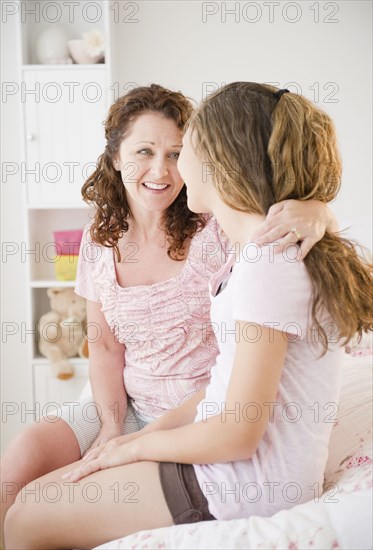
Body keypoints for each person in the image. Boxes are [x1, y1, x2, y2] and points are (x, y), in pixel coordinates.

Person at [2, 83, 347, 548]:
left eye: (180, 152)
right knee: (19, 469)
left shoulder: (228, 235)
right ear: (116, 156)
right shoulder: (100, 240)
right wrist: (113, 430)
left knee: (36, 512)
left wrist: (318, 210)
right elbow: (104, 345)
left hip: (200, 419)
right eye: (144, 151)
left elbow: (275, 205)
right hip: (137, 406)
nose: (165, 169)